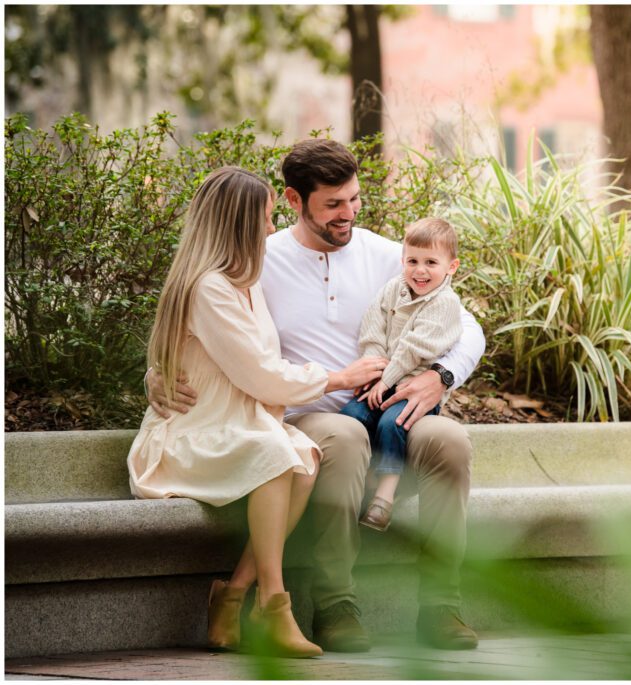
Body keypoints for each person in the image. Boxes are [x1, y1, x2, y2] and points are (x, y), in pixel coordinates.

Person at [148, 139, 485, 652]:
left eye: (354, 199)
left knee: (450, 441)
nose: (347, 213)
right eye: (333, 204)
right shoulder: (261, 259)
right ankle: (336, 605)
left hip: (395, 405)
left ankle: (442, 607)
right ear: (292, 201)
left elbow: (465, 324)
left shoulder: (385, 256)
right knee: (343, 435)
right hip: (311, 414)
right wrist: (157, 373)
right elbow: (208, 333)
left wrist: (443, 374)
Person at [128, 166, 357, 659]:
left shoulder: (244, 283)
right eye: (265, 218)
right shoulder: (208, 287)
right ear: (237, 222)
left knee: (303, 457)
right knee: (275, 453)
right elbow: (258, 372)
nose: (271, 228)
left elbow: (260, 367)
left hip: (237, 425)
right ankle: (273, 605)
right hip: (191, 433)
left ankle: (232, 596)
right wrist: (338, 377)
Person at [341, 217, 463, 532]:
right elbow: (373, 326)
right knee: (352, 415)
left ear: (451, 267)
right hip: (383, 378)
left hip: (413, 386)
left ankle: (384, 497)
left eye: (431, 263)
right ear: (403, 260)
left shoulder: (445, 304)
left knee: (391, 422)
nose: (419, 270)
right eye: (412, 261)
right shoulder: (395, 289)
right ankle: (360, 481)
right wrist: (373, 370)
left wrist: (387, 379)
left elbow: (413, 349)